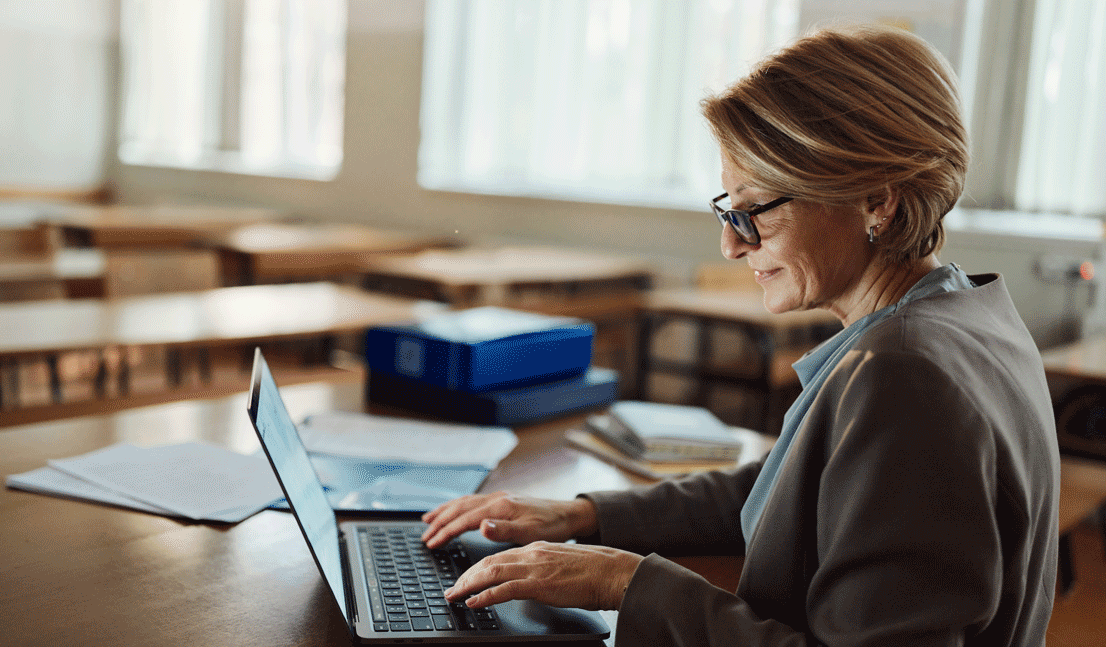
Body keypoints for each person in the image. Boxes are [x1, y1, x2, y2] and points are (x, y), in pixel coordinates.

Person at [420, 23, 1060, 646]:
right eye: (729, 209)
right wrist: (584, 516)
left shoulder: (903, 372)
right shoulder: (967, 314)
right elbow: (783, 488)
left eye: (754, 210)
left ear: (877, 200)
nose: (730, 243)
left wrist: (632, 584)